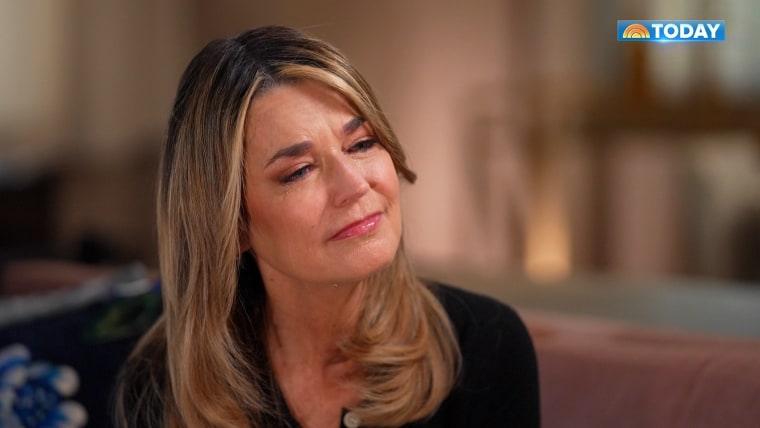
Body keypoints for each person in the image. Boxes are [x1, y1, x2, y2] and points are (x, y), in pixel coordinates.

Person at [115, 26, 539, 428]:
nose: (354, 185)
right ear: (233, 224)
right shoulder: (161, 382)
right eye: (299, 170)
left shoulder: (485, 345)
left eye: (362, 143)